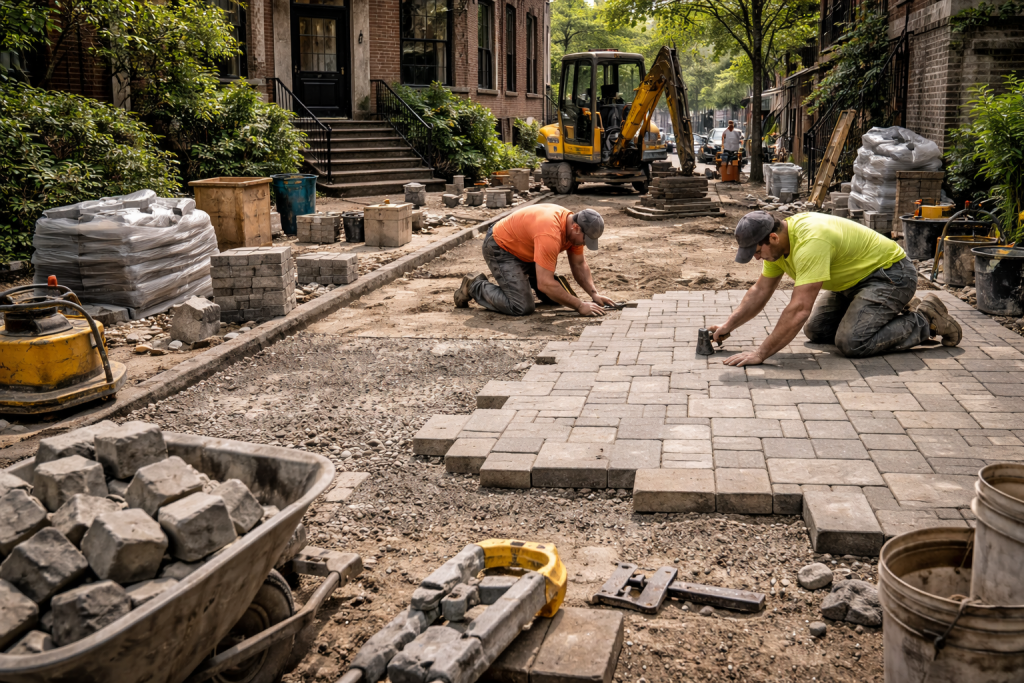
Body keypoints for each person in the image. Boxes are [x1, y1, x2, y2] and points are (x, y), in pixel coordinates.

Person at [709, 210, 962, 365]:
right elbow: (760, 292)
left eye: (756, 251)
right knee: (817, 331)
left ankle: (925, 320)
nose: (756, 258)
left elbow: (798, 309)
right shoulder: (778, 248)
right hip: (854, 282)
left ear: (772, 237)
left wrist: (761, 353)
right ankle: (884, 312)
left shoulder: (811, 241)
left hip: (890, 275)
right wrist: (727, 326)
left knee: (852, 343)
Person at [454, 205, 615, 317]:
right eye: (586, 240)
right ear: (576, 228)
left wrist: (594, 294)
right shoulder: (550, 233)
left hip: (527, 249)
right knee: (521, 306)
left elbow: (579, 264)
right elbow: (544, 284)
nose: (585, 244)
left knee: (558, 297)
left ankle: (527, 281)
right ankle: (474, 286)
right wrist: (580, 305)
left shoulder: (574, 228)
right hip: (501, 247)